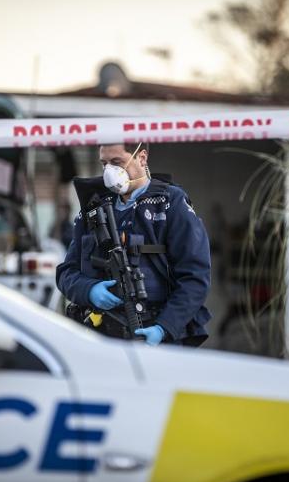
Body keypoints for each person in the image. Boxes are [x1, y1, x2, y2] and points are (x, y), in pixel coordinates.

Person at [56, 142, 211, 346]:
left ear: (142, 157)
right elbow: (66, 272)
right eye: (104, 164)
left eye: (117, 162)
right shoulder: (94, 207)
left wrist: (163, 328)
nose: (109, 171)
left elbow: (195, 277)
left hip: (153, 335)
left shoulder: (169, 203)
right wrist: (89, 290)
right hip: (98, 337)